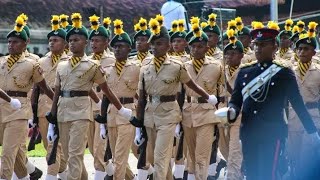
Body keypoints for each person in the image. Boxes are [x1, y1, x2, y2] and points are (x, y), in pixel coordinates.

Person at [216, 23, 320, 180]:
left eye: (263, 45)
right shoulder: (245, 72)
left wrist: (312, 132)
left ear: (274, 46)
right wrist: (231, 111)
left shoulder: (283, 73)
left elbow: (298, 104)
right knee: (251, 173)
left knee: (267, 174)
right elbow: (236, 101)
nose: (258, 48)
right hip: (249, 131)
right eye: (256, 44)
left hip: (272, 132)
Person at [49, 13, 132, 180]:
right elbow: (57, 92)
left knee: (76, 153)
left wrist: (121, 109)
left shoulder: (92, 66)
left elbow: (106, 90)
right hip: (63, 112)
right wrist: (52, 117)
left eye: (77, 40)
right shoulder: (62, 66)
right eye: (70, 40)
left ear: (84, 43)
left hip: (83, 112)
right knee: (67, 152)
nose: (72, 43)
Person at [136, 18, 218, 179]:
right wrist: (138, 127)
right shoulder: (144, 68)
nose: (154, 47)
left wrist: (208, 97)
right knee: (154, 157)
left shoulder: (176, 66)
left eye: (159, 43)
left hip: (168, 115)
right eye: (152, 44)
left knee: (161, 156)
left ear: (167, 46)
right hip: (149, 115)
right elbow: (141, 98)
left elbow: (191, 85)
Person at [0, 16, 54, 180]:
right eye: (9, 42)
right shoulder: (1, 61)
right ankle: (27, 175)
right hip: (2, 109)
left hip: (19, 112)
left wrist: (57, 106)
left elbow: (43, 88)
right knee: (15, 152)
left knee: (8, 152)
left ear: (25, 44)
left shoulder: (32, 64)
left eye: (15, 42)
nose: (11, 45)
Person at [181, 24, 224, 179]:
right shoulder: (183, 67)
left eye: (199, 46)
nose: (195, 49)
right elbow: (179, 93)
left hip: (207, 113)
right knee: (191, 156)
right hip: (188, 113)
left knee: (201, 156)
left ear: (207, 48)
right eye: (192, 46)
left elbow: (222, 91)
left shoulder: (216, 66)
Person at [100, 19, 140, 180]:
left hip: (129, 114)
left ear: (129, 48)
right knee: (117, 156)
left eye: (121, 46)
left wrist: (140, 122)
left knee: (120, 155)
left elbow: (142, 95)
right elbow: (105, 97)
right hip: (111, 116)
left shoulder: (137, 68)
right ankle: (142, 174)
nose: (117, 49)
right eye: (115, 46)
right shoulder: (108, 70)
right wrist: (102, 124)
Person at [33, 15, 68, 180]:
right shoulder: (41, 62)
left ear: (65, 43)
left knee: (55, 146)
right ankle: (65, 174)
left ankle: (51, 176)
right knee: (49, 146)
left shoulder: (70, 61)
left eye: (56, 40)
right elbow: (35, 88)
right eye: (50, 40)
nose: (52, 43)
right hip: (43, 108)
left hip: (63, 107)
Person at [287, 22, 320, 180]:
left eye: (306, 49)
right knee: (293, 154)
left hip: (313, 118)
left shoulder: (319, 72)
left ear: (314, 52)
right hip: (293, 118)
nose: (302, 52)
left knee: (307, 155)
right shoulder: (289, 72)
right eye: (299, 49)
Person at [87, 14, 116, 180]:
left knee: (99, 150)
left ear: (106, 42)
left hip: (104, 109)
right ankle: (119, 174)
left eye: (98, 40)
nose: (94, 44)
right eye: (92, 41)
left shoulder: (112, 60)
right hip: (87, 108)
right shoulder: (86, 60)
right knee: (92, 148)